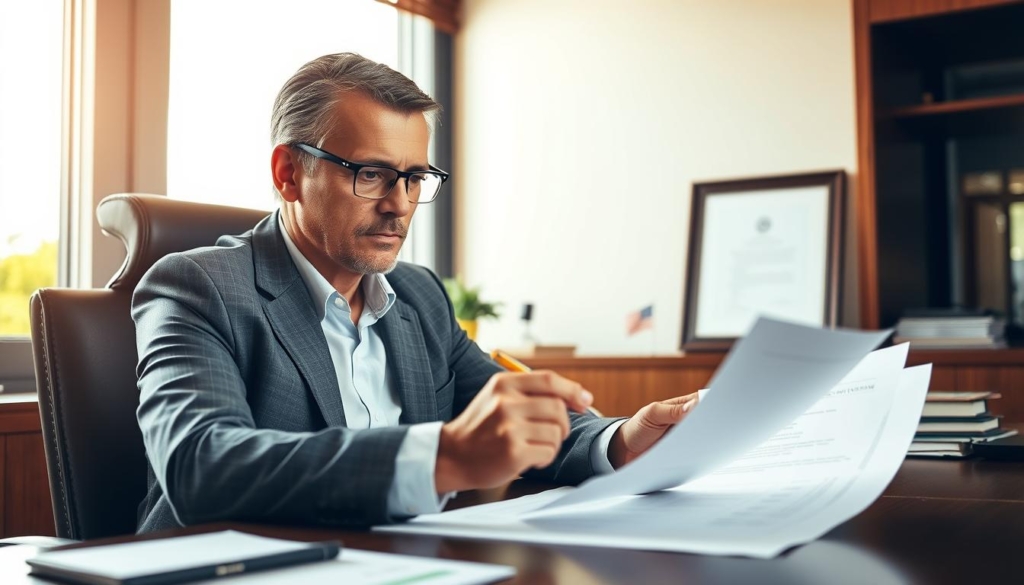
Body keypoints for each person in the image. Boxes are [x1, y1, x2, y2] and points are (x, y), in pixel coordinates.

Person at [133, 53, 698, 532]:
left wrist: (621, 440)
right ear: (288, 174)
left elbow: (510, 415)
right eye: (371, 174)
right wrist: (441, 458)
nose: (399, 204)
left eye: (414, 177)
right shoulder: (196, 287)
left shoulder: (419, 295)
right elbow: (200, 468)